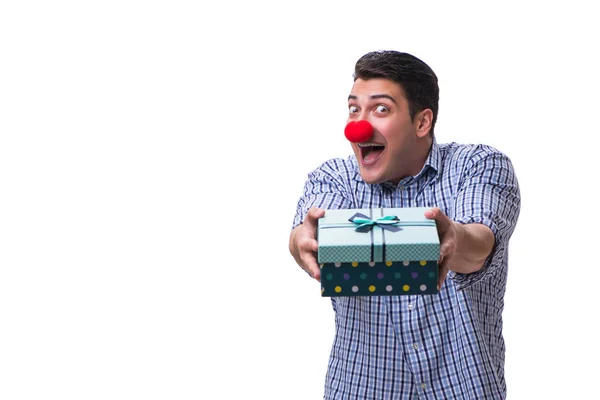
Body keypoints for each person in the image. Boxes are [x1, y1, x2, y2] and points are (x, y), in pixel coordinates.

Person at [289, 50, 521, 399]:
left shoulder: (478, 166)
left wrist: (453, 239)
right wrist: (300, 240)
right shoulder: (335, 178)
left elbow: (480, 244)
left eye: (380, 109)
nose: (358, 125)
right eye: (354, 109)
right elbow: (309, 229)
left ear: (422, 122)